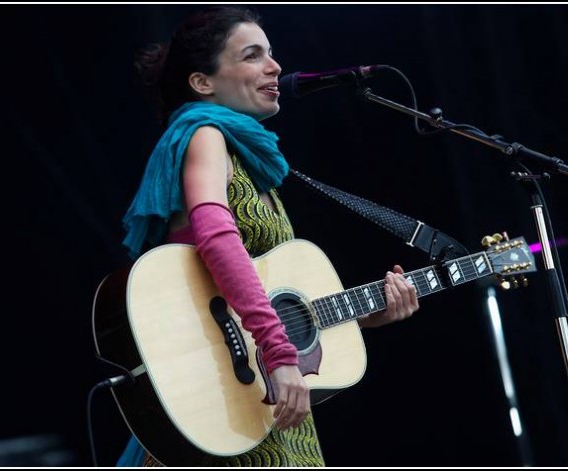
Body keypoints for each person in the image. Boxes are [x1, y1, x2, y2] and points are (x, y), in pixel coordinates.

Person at [117, 6, 419, 467]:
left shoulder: (253, 165)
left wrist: (366, 314)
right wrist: (278, 352)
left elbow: (272, 297)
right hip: (246, 385)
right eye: (253, 55)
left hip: (262, 397)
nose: (275, 67)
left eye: (271, 53)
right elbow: (217, 241)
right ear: (203, 83)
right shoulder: (204, 134)